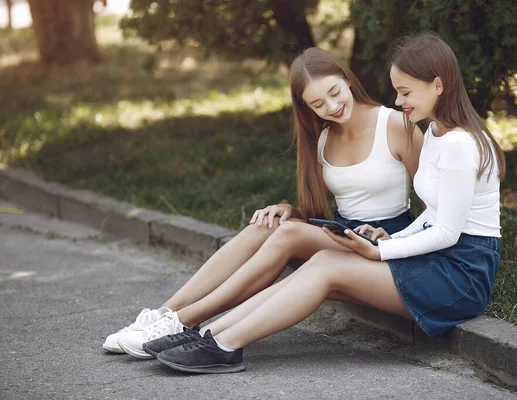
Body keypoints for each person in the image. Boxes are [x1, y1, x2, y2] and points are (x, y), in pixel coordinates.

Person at [147, 33, 506, 374]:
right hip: (437, 260)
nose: (398, 101)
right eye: (398, 91)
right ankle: (208, 334)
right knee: (323, 261)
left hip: (461, 275)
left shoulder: (460, 144)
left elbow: (446, 231)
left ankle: (224, 345)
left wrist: (380, 253)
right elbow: (434, 214)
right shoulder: (436, 133)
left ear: (438, 85)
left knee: (326, 268)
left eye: (405, 91)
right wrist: (389, 240)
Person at [103, 47, 423, 359]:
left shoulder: (396, 124)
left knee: (286, 233)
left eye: (335, 92)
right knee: (267, 224)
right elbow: (323, 211)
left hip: (386, 240)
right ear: (307, 108)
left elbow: (433, 204)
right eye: (318, 103)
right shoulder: (323, 137)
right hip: (344, 233)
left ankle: (181, 322)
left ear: (346, 79)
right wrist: (292, 211)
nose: (332, 106)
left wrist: (399, 242)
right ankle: (163, 315)